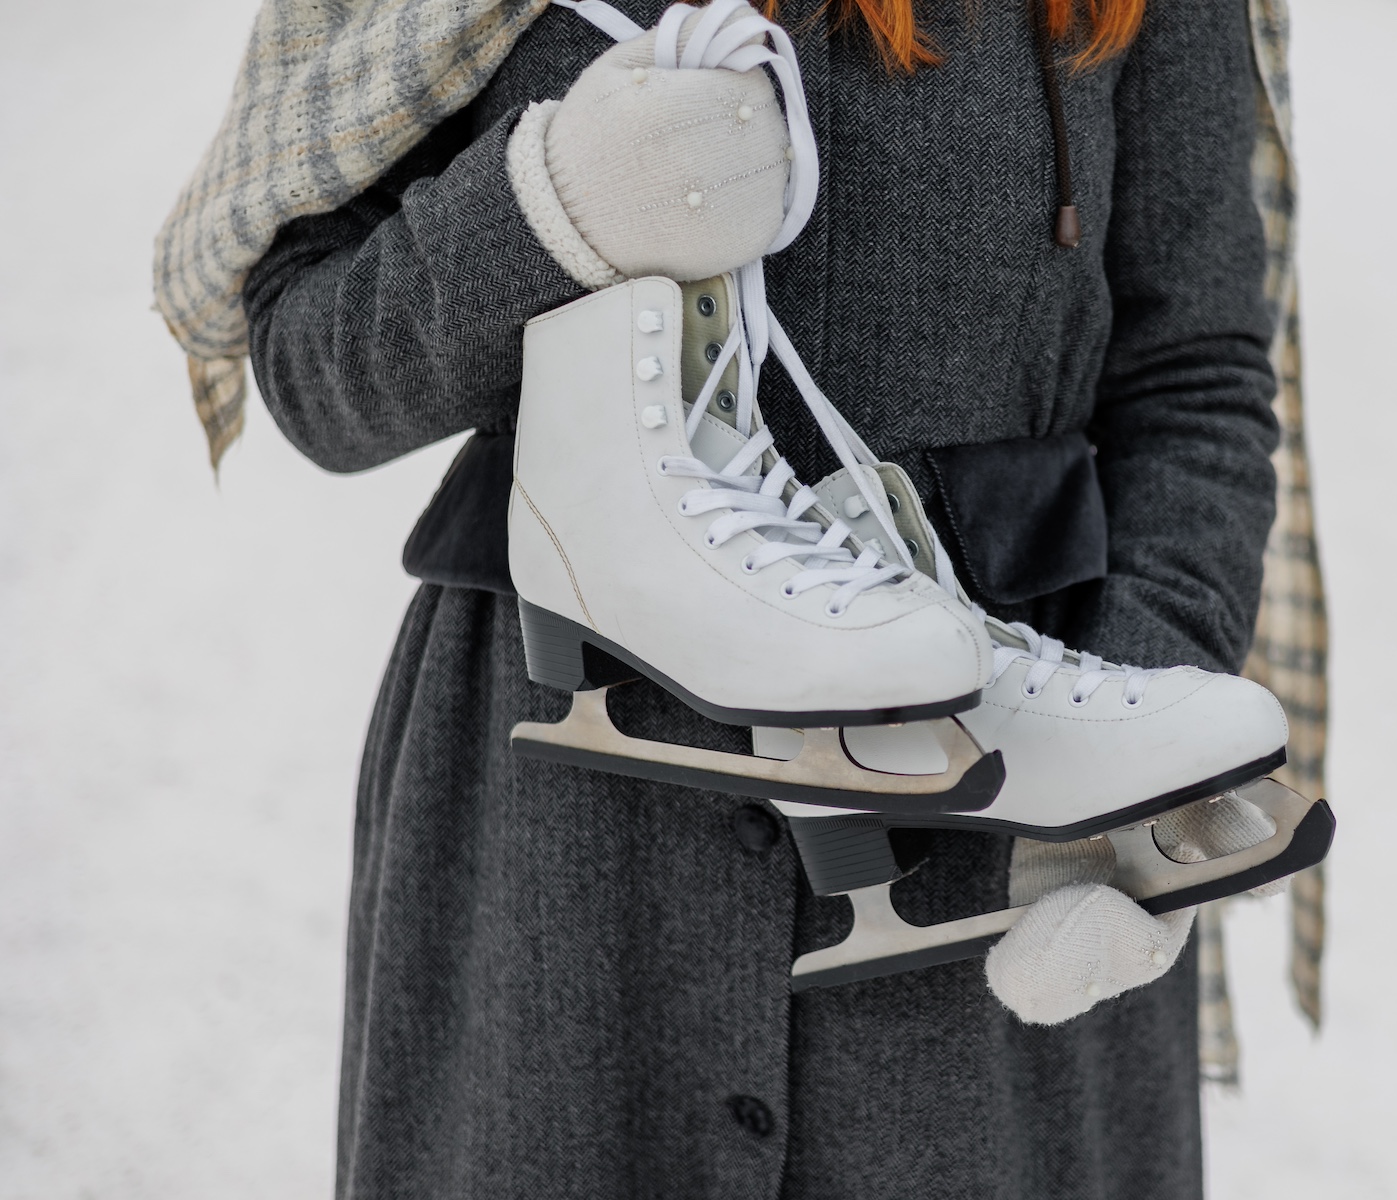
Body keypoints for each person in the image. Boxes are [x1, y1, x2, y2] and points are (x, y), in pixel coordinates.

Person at [164, 0, 1281, 1191]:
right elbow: (314, 373)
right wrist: (549, 208)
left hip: (996, 814)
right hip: (568, 830)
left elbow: (1194, 373)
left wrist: (1134, 781)